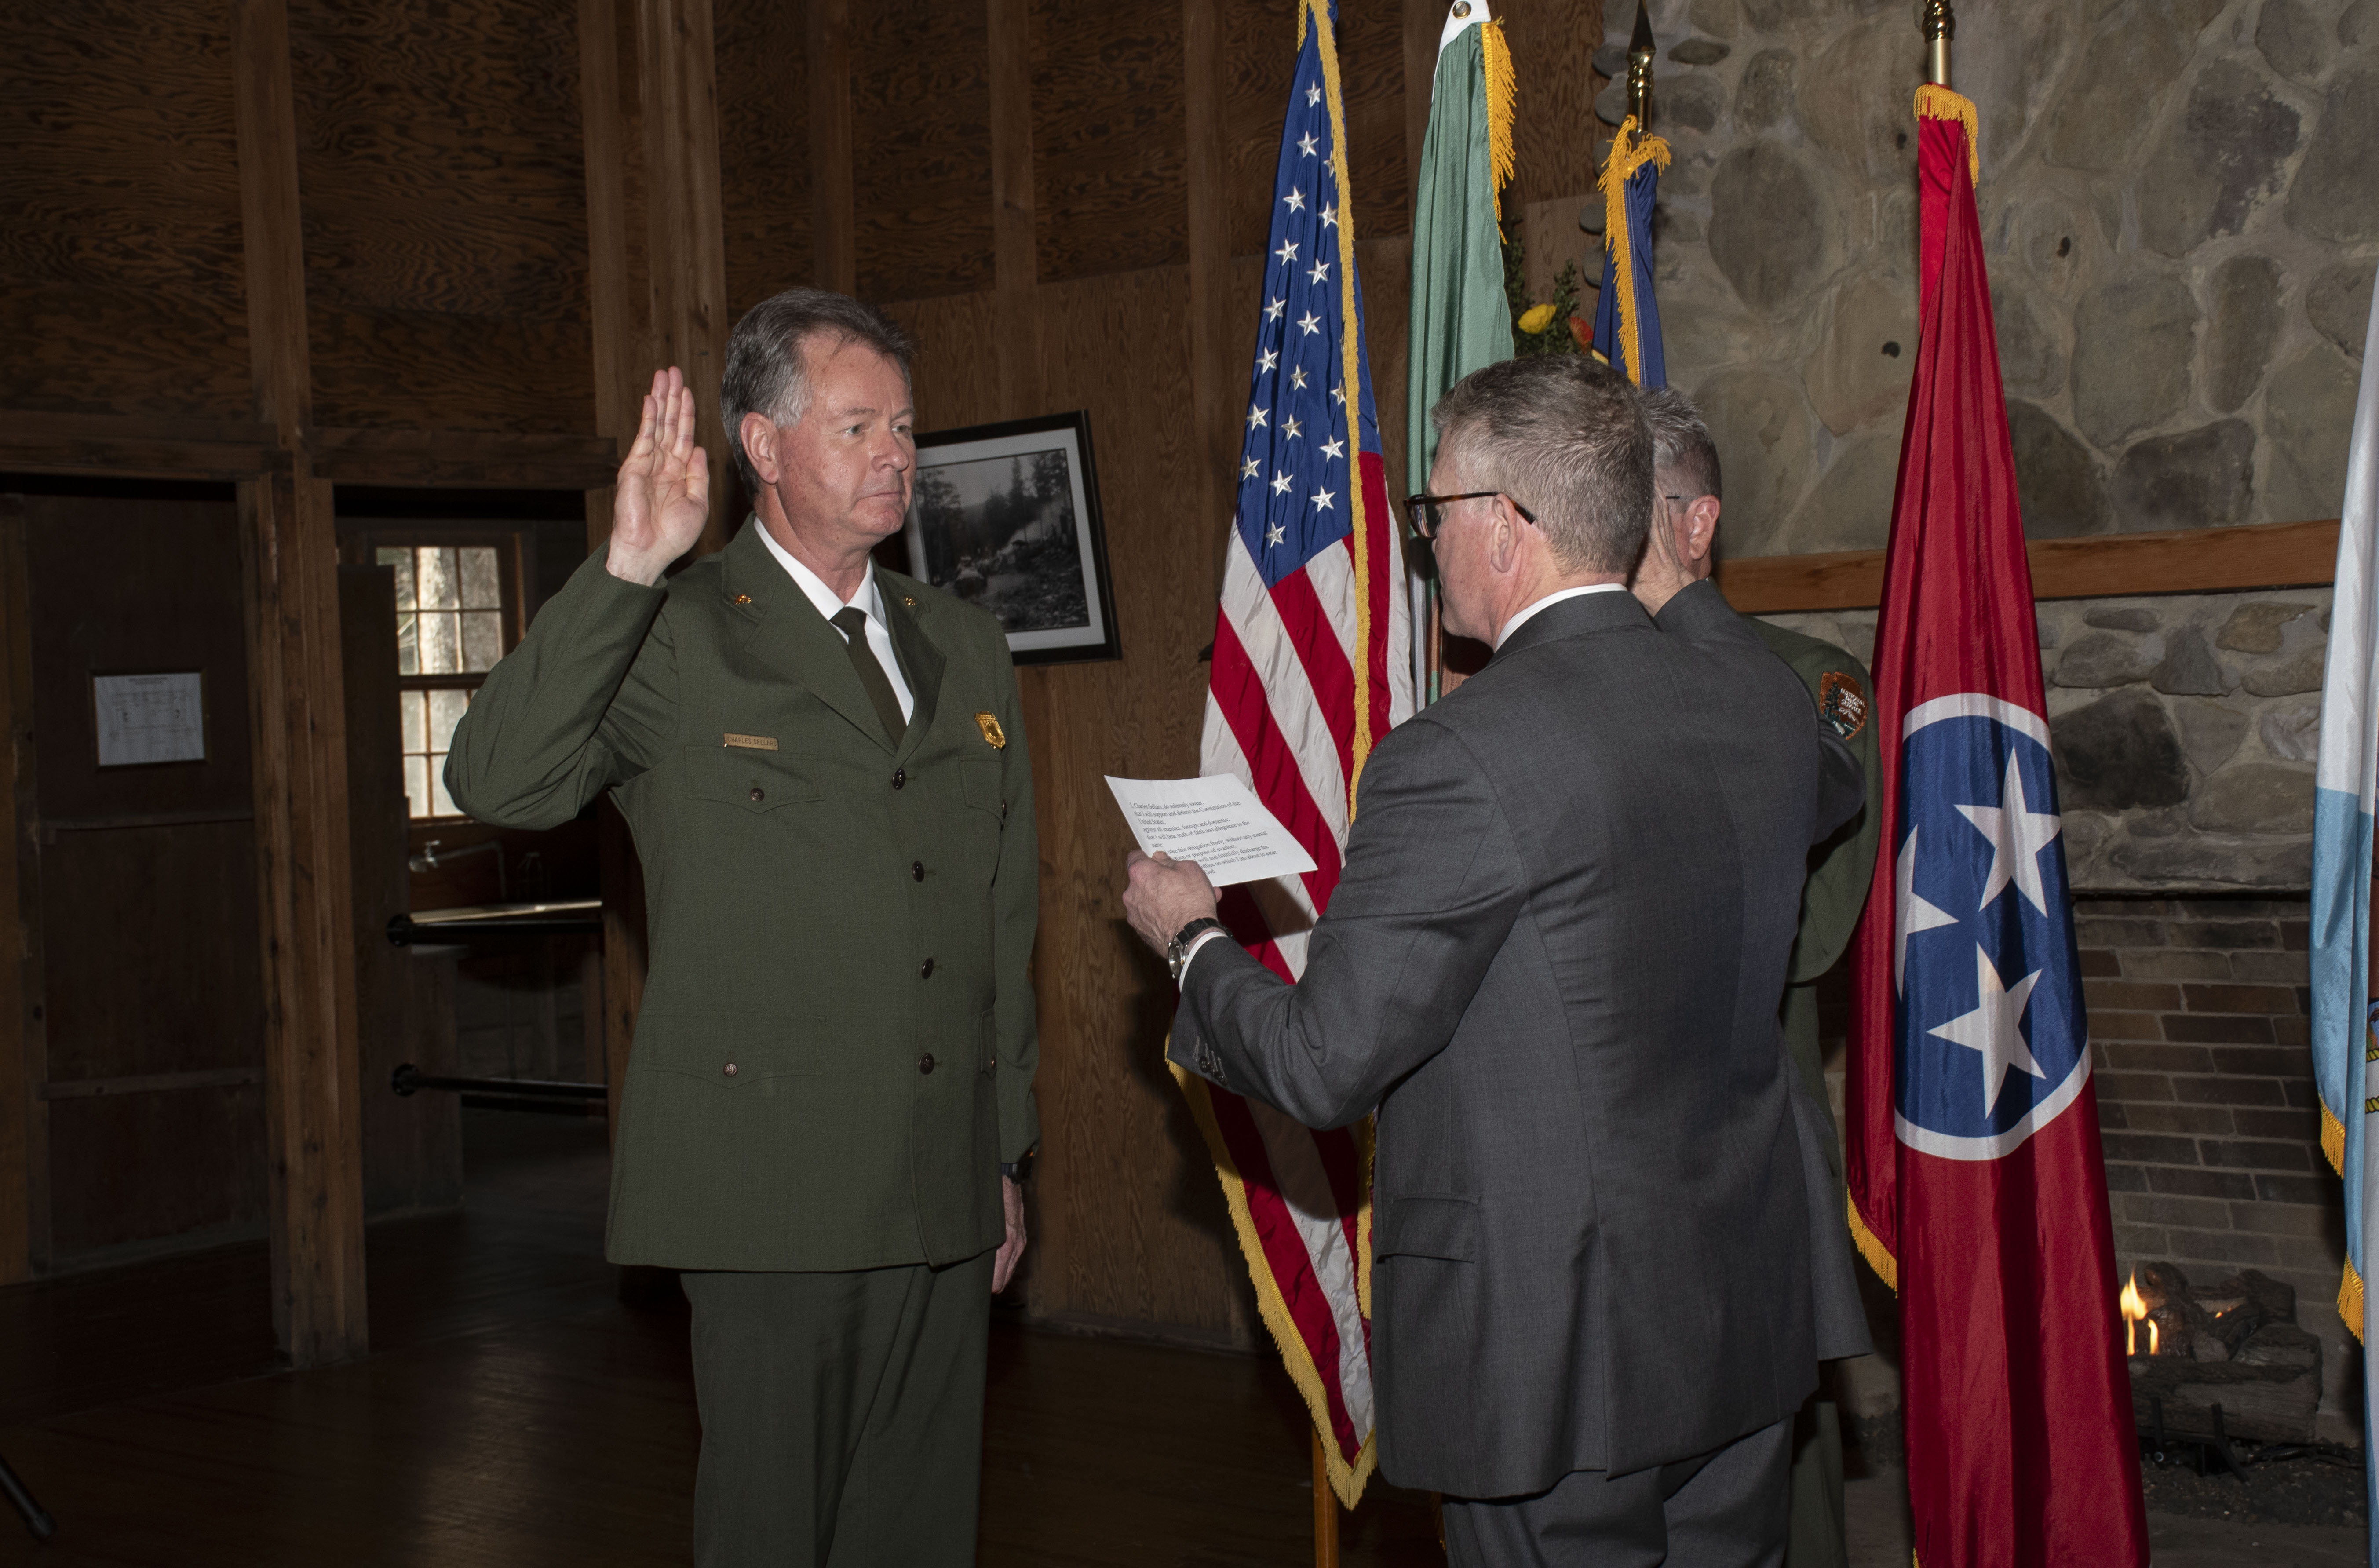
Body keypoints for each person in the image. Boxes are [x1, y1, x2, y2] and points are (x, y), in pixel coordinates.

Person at [1123, 354, 1856, 1567]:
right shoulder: (1768, 708)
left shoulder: (1457, 756)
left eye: (1435, 512)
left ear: (1508, 530)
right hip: (1737, 1315)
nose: (1426, 544)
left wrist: (1192, 938)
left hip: (1556, 1353)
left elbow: (1322, 1066)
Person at [444, 289, 1038, 1566]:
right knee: (775, 1530)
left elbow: (1001, 913)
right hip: (771, 1185)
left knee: (918, 1530)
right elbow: (498, 779)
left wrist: (1004, 1153)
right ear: (762, 449)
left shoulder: (965, 645)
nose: (897, 455)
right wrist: (626, 568)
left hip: (940, 1179)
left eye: (907, 428)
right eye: (858, 425)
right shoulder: (677, 634)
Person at [1633, 386, 1882, 1568]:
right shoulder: (1557, 690)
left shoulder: (1807, 682)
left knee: (1778, 1466)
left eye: (1629, 512)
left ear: (1698, 525)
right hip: (1599, 1166)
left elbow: (1819, 925)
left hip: (1747, 1130)